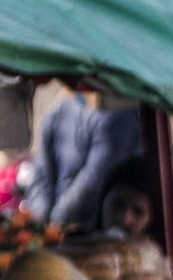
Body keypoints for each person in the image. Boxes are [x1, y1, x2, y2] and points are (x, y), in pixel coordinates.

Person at [29, 88, 142, 230]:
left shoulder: (116, 115)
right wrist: (40, 220)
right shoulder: (58, 111)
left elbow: (95, 177)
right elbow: (40, 171)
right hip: (58, 229)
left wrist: (57, 221)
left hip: (90, 230)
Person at [95, 158, 154, 242]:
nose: (125, 220)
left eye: (139, 212)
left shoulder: (159, 254)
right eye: (118, 205)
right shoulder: (74, 244)